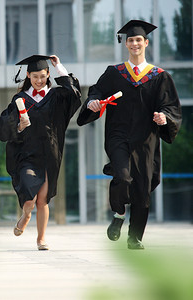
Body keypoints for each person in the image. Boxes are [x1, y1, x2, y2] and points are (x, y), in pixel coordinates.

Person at [77, 20, 182, 249]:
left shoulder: (159, 76)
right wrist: (93, 102)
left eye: (138, 40)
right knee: (123, 177)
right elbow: (95, 93)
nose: (135, 43)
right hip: (119, 135)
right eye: (131, 40)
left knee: (142, 188)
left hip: (146, 139)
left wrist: (165, 117)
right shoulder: (114, 73)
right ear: (126, 44)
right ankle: (118, 213)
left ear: (146, 43)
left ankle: (135, 238)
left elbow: (171, 106)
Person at [0, 55, 81, 250]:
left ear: (48, 74)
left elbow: (74, 94)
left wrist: (59, 66)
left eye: (43, 76)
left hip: (50, 154)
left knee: (43, 199)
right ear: (28, 75)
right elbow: (4, 125)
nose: (39, 80)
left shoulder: (57, 96)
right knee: (29, 197)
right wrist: (19, 126)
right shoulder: (20, 99)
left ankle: (41, 239)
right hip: (27, 155)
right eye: (35, 76)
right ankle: (25, 215)